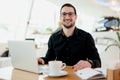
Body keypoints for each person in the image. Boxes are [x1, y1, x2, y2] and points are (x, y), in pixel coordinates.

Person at [38, 3, 101, 71]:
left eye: (70, 14)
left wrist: (89, 63)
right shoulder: (53, 38)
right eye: (64, 14)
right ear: (60, 17)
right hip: (59, 75)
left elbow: (97, 62)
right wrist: (42, 60)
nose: (67, 17)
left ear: (76, 17)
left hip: (79, 75)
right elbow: (49, 59)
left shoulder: (87, 37)